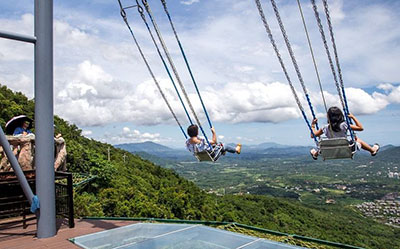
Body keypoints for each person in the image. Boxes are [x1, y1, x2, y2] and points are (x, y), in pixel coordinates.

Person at [310, 106, 379, 160]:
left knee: (323, 145)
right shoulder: (345, 125)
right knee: (357, 140)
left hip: (330, 152)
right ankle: (372, 150)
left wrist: (313, 126)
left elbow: (312, 135)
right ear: (340, 116)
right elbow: (360, 128)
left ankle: (315, 154)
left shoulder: (324, 128)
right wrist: (353, 117)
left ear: (328, 117)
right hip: (346, 151)